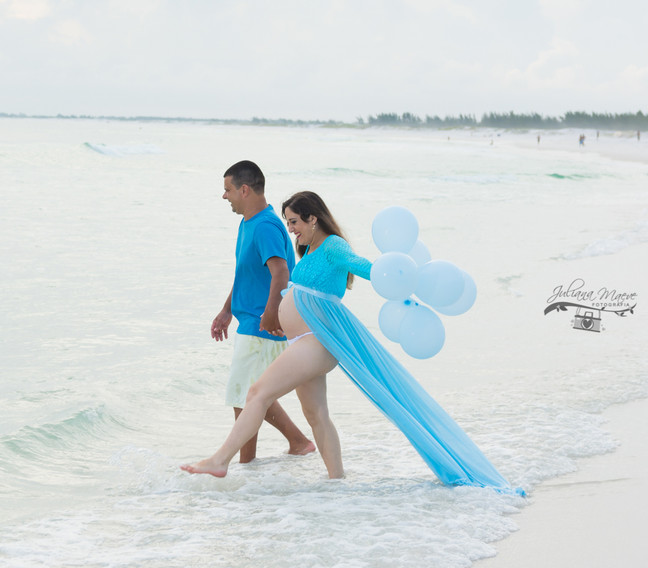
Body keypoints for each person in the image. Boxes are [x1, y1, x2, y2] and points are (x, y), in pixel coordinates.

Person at [183, 191, 517, 493]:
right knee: (316, 414)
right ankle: (336, 483)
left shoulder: (333, 247)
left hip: (315, 342)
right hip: (305, 340)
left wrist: (404, 277)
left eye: (295, 222)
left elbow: (368, 269)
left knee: (257, 393)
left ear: (314, 218)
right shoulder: (312, 249)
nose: (291, 230)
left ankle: (220, 460)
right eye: (288, 223)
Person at [210, 161, 314, 463]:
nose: (224, 196)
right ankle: (298, 442)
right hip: (252, 318)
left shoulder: (266, 226)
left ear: (244, 189)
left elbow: (280, 271)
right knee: (255, 391)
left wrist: (270, 316)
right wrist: (226, 310)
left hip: (262, 323)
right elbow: (248, 273)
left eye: (227, 189)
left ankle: (246, 465)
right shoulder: (248, 223)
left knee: (244, 394)